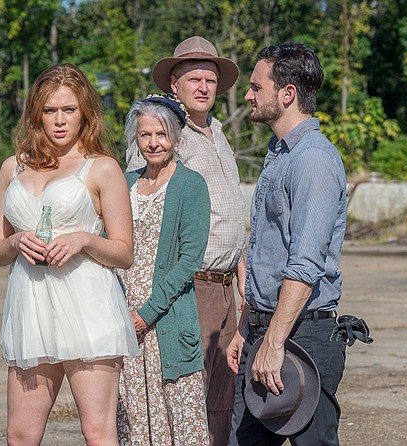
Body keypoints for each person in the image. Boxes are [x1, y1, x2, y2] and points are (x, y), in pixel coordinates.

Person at [0, 63, 139, 446]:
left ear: (84, 111)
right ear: (36, 113)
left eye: (69, 110)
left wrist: (83, 241)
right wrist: (16, 241)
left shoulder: (102, 168)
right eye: (50, 110)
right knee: (20, 435)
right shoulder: (12, 169)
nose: (59, 120)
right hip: (30, 308)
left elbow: (124, 253)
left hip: (88, 307)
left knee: (97, 432)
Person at [125, 35, 246, 445]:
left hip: (228, 283)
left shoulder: (217, 132)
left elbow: (231, 213)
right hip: (190, 284)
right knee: (195, 391)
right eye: (193, 78)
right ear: (173, 84)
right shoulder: (164, 135)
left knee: (225, 394)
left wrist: (242, 276)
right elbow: (143, 211)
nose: (203, 87)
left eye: (210, 80)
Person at [227, 42, 348, 445]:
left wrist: (274, 340)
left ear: (287, 94)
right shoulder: (279, 154)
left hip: (302, 337)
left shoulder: (312, 159)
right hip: (267, 331)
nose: (248, 95)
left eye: (255, 87)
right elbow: (266, 250)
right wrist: (248, 326)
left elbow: (305, 263)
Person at [116, 93, 211, 445]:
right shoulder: (123, 183)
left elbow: (190, 260)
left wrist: (147, 313)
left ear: (176, 136)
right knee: (134, 422)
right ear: (136, 138)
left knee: (181, 426)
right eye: (145, 135)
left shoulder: (191, 185)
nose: (154, 143)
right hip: (124, 323)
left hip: (164, 321)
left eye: (161, 134)